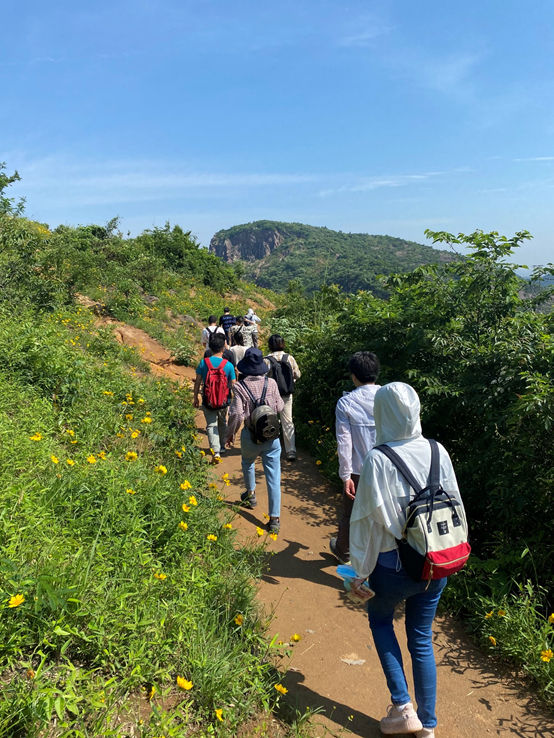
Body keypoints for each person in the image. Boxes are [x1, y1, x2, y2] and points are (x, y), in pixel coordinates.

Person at [348, 382, 465, 738]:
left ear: (381, 414)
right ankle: (428, 726)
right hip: (433, 563)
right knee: (421, 637)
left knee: (381, 622)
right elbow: (455, 505)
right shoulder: (437, 450)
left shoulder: (378, 458)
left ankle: (402, 707)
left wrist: (358, 574)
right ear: (415, 410)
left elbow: (367, 521)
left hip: (391, 567)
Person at [225, 347, 284, 533]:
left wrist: (230, 433)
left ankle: (250, 495)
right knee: (274, 477)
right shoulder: (272, 383)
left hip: (251, 436)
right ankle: (274, 518)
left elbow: (236, 414)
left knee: (248, 462)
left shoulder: (240, 387)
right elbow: (280, 406)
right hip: (271, 437)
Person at [330, 351, 381, 565]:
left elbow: (345, 442)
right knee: (382, 515)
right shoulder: (390, 398)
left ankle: (344, 551)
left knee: (350, 514)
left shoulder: (346, 403)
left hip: (359, 470)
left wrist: (345, 476)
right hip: (388, 468)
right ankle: (378, 557)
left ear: (353, 376)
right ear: (376, 373)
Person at [193, 333, 236, 461]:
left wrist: (195, 397)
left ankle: (215, 450)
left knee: (211, 425)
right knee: (223, 422)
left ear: (210, 349)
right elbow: (233, 384)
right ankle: (222, 446)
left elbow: (197, 381)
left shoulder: (203, 363)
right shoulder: (228, 365)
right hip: (224, 400)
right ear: (223, 348)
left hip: (208, 399)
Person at [264, 334, 301, 462]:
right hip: (286, 394)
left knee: (271, 420)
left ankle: (272, 449)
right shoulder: (289, 358)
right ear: (283, 344)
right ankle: (290, 451)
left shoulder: (266, 360)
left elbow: (263, 378)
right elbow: (297, 374)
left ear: (270, 345)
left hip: (271, 395)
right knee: (288, 421)